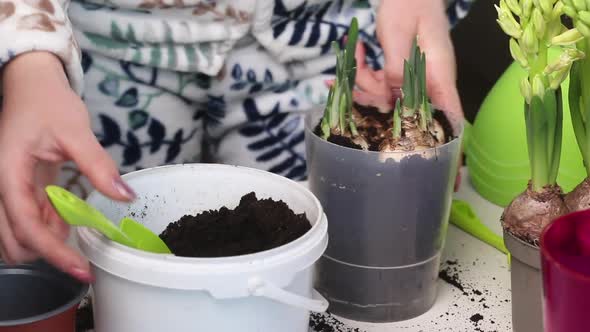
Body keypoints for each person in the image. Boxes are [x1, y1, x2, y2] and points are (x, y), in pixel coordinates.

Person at [0, 0, 473, 281]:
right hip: (108, 48)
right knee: (93, 254)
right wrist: (29, 60)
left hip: (322, 46)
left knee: (319, 262)